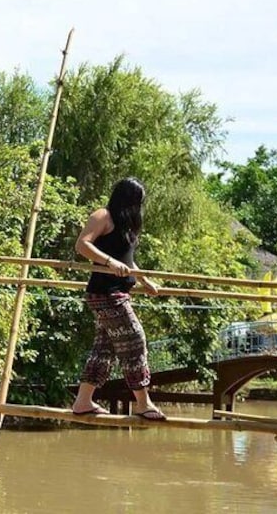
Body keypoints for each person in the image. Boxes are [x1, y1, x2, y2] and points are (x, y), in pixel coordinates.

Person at [71, 177, 166, 420]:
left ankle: (83, 401)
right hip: (106, 294)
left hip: (120, 293)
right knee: (135, 340)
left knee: (104, 349)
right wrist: (108, 262)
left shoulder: (126, 225)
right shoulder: (103, 216)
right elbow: (82, 245)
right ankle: (143, 403)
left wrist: (145, 281)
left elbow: (127, 260)